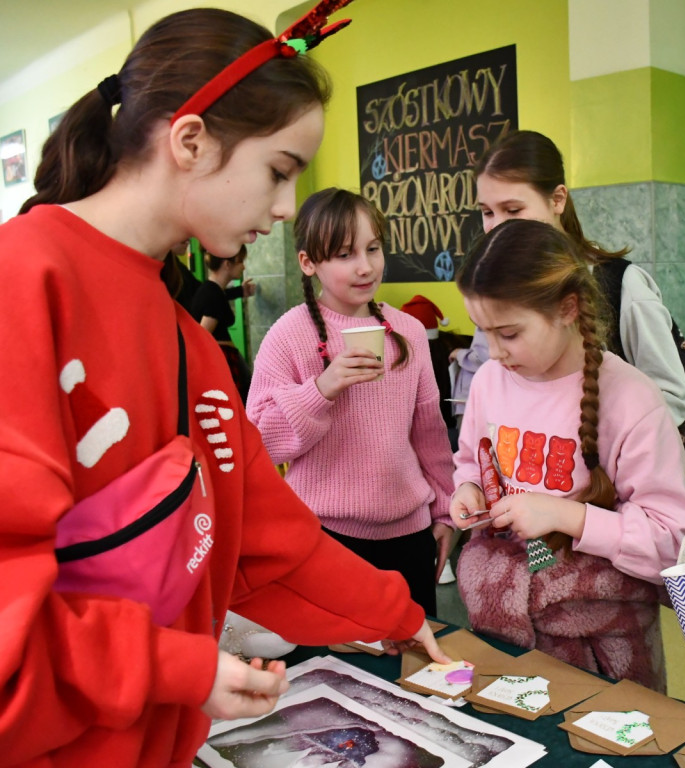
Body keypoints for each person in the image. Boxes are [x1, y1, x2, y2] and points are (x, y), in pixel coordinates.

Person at [0, 8, 447, 765]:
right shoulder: (25, 283)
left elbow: (267, 541)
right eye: (279, 171)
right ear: (190, 140)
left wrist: (395, 611)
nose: (283, 208)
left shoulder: (189, 344)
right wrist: (183, 665)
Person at [450, 218, 685, 692]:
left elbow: (673, 538)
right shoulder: (488, 380)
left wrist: (568, 517)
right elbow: (470, 459)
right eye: (483, 333)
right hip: (507, 627)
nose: (495, 352)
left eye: (509, 333)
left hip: (604, 639)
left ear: (567, 308)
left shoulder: (630, 398)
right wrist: (466, 488)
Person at [246, 188, 455, 616]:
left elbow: (430, 434)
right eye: (344, 255)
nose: (365, 266)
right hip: (323, 539)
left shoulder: (410, 331)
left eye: (373, 249)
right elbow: (260, 441)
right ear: (308, 263)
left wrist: (446, 512)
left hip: (410, 538)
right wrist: (321, 389)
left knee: (414, 669)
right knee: (337, 669)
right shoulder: (288, 336)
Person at [450, 129, 685, 433]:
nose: (498, 226)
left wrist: (593, 443)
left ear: (557, 199)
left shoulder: (621, 284)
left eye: (513, 210)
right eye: (487, 212)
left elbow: (674, 398)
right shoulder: (494, 284)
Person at [191, 244, 255, 402]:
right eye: (240, 261)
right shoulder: (213, 294)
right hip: (223, 361)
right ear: (227, 264)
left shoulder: (211, 290)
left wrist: (240, 291)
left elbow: (220, 297)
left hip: (225, 360)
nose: (243, 266)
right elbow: (201, 335)